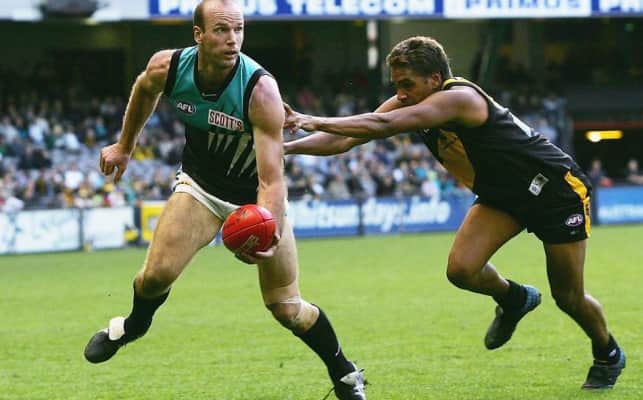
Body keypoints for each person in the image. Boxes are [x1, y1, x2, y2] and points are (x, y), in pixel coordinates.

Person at [284, 36, 626, 390]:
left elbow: (382, 125)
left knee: (568, 297)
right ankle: (514, 298)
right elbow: (346, 139)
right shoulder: (411, 102)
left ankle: (608, 353)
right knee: (462, 270)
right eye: (396, 85)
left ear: (434, 78)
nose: (400, 94)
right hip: (503, 195)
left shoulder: (460, 98)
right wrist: (287, 149)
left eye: (407, 84)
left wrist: (313, 119)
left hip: (555, 192)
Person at [83, 1, 366, 399]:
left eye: (239, 30)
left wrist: (268, 231)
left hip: (256, 201)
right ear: (198, 35)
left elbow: (271, 179)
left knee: (286, 308)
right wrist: (125, 146)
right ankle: (132, 326)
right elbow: (145, 88)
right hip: (201, 187)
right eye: (221, 30)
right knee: (154, 278)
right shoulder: (168, 67)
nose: (233, 39)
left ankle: (344, 372)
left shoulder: (259, 90)